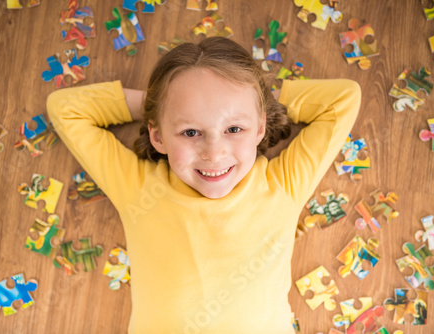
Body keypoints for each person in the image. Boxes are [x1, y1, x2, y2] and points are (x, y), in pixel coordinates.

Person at [47, 36, 361, 334]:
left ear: (260, 128)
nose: (214, 153)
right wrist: (159, 105)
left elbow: (344, 98)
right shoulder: (139, 188)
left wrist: (255, 100)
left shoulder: (283, 184)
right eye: (190, 132)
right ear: (158, 137)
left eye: (234, 127)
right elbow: (65, 109)